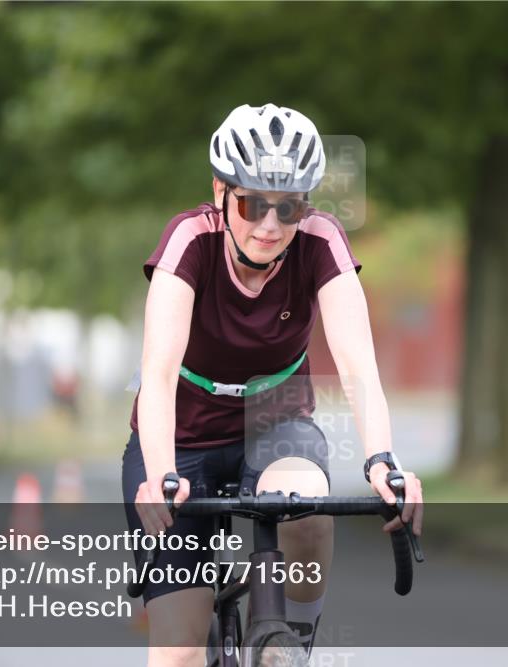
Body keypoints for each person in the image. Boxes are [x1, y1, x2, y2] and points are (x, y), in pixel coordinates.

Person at [122, 102, 424, 666]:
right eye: (252, 203)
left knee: (306, 510)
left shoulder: (320, 241)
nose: (269, 224)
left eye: (287, 208)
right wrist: (160, 472)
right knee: (179, 653)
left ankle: (291, 650)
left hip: (275, 420)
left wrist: (383, 461)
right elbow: (159, 374)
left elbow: (359, 365)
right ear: (220, 190)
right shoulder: (189, 241)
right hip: (180, 437)